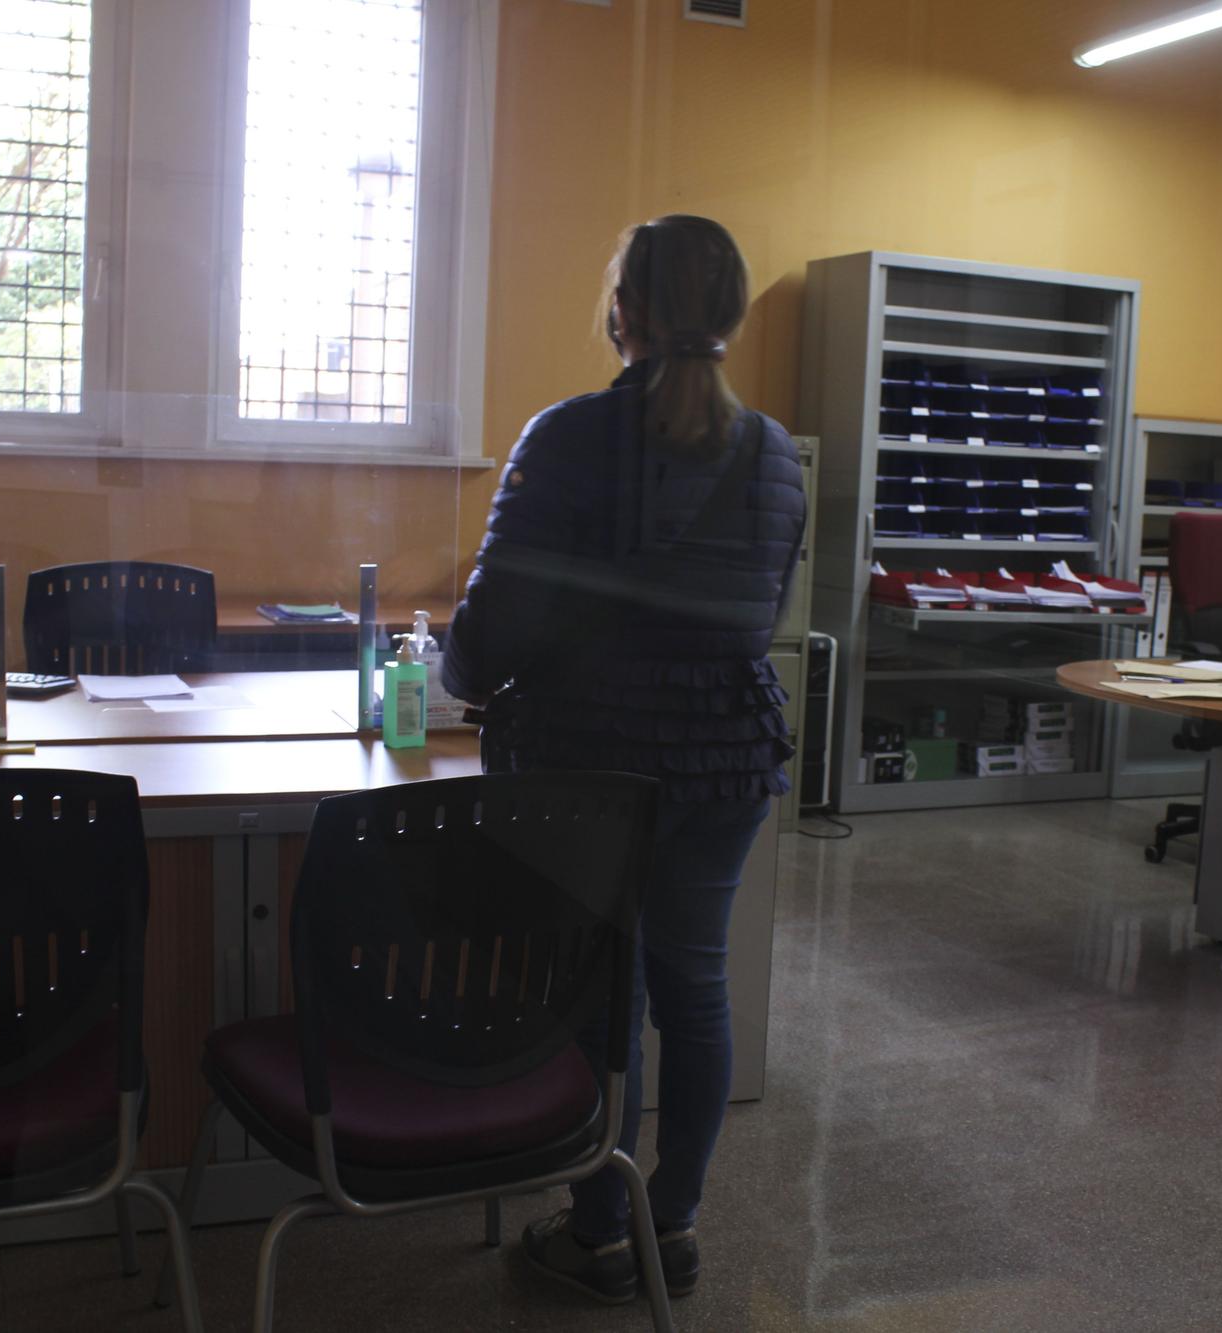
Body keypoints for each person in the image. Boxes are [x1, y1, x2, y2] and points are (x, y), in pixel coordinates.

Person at [440, 215, 805, 1305]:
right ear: (731, 317)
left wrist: (458, 674)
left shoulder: (566, 436)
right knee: (692, 985)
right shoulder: (775, 452)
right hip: (725, 756)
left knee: (604, 998)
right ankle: (672, 1224)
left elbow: (489, 632)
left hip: (586, 767)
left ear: (621, 314)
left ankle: (599, 1224)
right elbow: (758, 613)